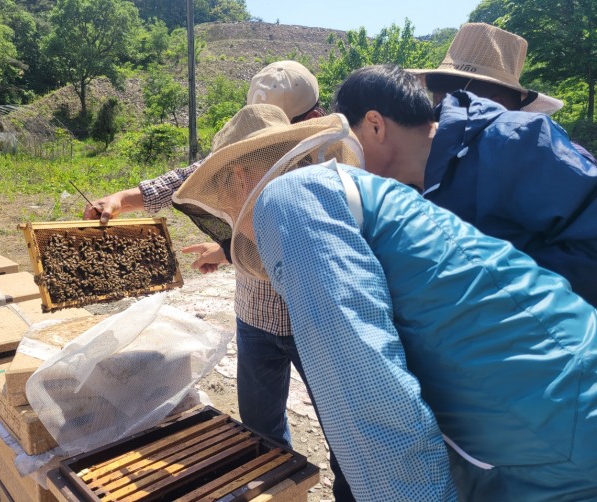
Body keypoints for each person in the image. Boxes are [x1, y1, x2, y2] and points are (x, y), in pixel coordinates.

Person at [245, 154, 597, 502]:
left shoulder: (288, 201)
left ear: (243, 177)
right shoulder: (356, 191)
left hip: (554, 433)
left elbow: (366, 393)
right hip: (559, 396)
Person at [83, 63, 356, 500]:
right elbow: (187, 177)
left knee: (346, 435)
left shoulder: (329, 164)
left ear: (309, 119)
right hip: (255, 317)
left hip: (315, 323)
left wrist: (226, 250)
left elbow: (309, 245)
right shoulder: (249, 149)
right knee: (259, 430)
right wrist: (121, 199)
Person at [333, 64, 597, 307]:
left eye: (348, 142)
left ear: (375, 126)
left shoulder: (513, 141)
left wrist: (494, 298)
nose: (348, 157)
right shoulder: (396, 196)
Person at [408, 22, 595, 162]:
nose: (436, 114)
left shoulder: (556, 162)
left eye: (446, 101)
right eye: (435, 99)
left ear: (497, 104)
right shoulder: (442, 159)